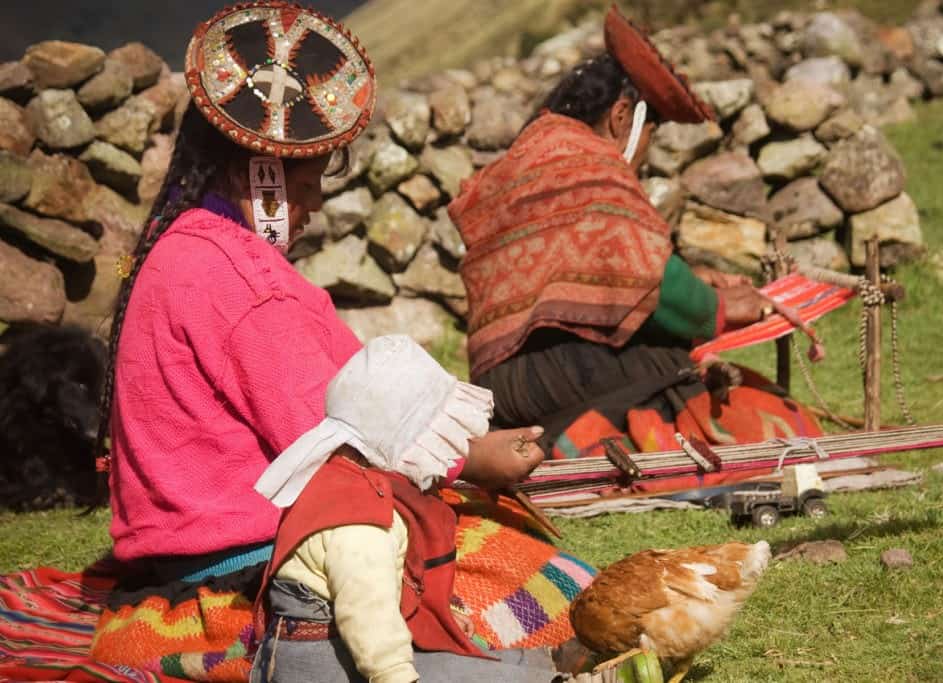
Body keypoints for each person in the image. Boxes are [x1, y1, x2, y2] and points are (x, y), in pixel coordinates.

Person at [88, 5, 589, 681]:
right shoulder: (242, 279)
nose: (317, 203)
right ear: (261, 175)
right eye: (309, 180)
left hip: (180, 555)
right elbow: (342, 436)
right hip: (247, 559)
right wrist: (467, 460)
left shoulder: (182, 250)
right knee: (536, 575)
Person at [448, 7, 822, 469]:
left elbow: (594, 269)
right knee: (690, 377)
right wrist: (723, 306)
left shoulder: (525, 159)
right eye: (651, 132)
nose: (645, 152)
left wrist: (694, 275)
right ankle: (587, 436)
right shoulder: (591, 164)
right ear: (622, 115)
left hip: (500, 393)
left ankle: (559, 437)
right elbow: (650, 283)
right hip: (558, 378)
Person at [250, 335, 563, 683]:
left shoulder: (344, 477)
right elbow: (369, 621)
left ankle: (548, 663)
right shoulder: (361, 526)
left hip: (344, 647)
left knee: (489, 665)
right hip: (321, 667)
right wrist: (398, 676)